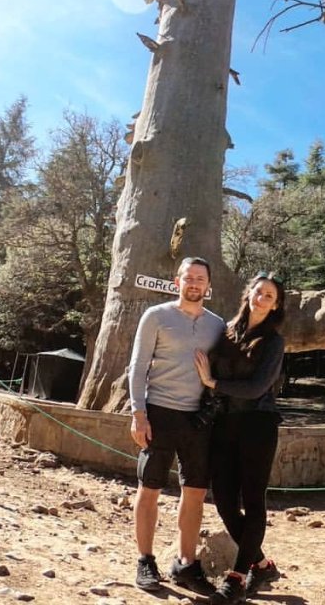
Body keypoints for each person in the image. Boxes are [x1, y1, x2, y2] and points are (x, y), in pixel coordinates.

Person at [128, 256, 226, 593]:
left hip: (198, 418)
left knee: (196, 492)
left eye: (201, 278)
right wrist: (138, 413)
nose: (195, 283)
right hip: (159, 412)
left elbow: (222, 370)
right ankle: (145, 560)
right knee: (150, 487)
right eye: (189, 277)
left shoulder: (218, 325)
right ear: (177, 282)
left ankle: (186, 563)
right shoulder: (155, 316)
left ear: (208, 286)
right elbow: (137, 367)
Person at [194, 272, 286, 605]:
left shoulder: (274, 342)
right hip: (224, 424)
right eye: (259, 292)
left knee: (253, 499)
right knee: (223, 501)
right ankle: (261, 565)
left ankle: (236, 577)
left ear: (275, 306)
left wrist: (213, 383)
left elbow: (256, 388)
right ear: (248, 294)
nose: (262, 298)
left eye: (269, 296)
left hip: (258, 424)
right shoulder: (227, 331)